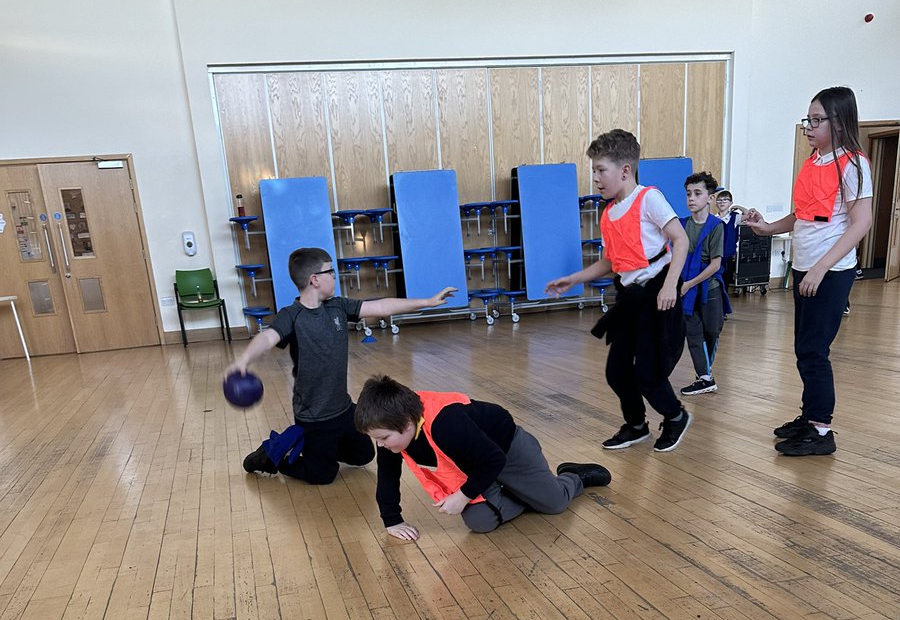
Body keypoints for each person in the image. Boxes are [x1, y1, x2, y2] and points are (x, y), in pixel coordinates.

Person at [224, 247, 456, 483]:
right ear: (315, 279)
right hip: (314, 416)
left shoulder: (338, 306)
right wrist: (243, 360)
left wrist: (427, 302)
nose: (334, 276)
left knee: (364, 455)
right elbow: (268, 337)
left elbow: (382, 306)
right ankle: (275, 452)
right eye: (330, 271)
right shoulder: (291, 315)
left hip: (344, 409)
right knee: (323, 476)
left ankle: (316, 450)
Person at [545, 129, 692, 453]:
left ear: (625, 170)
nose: (596, 178)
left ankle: (676, 416)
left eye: (601, 170)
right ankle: (636, 425)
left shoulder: (648, 198)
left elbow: (680, 240)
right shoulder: (609, 213)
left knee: (649, 374)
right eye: (594, 170)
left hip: (657, 291)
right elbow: (611, 261)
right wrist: (574, 278)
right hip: (629, 297)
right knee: (617, 371)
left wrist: (670, 285)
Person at [744, 86, 872, 457]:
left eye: (818, 120)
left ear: (839, 121)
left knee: (815, 351)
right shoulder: (814, 160)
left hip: (829, 272)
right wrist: (768, 228)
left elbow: (860, 223)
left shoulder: (854, 163)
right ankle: (810, 416)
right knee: (804, 349)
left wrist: (821, 267)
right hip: (805, 267)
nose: (810, 127)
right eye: (809, 120)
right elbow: (803, 214)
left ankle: (821, 431)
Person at [354, 374, 611, 539]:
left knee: (554, 504)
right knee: (480, 522)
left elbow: (493, 459)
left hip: (506, 451)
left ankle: (572, 476)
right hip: (475, 464)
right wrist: (392, 520)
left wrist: (463, 496)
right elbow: (387, 475)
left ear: (407, 423)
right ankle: (524, 490)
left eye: (383, 438)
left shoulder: (446, 423)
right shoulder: (390, 430)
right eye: (376, 438)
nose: (379, 444)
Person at [680, 171, 732, 396]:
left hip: (708, 288)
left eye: (697, 193)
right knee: (693, 333)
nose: (691, 198)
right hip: (686, 288)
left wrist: (690, 283)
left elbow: (714, 265)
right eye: (688, 193)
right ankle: (705, 377)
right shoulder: (681, 225)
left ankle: (705, 375)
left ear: (710, 198)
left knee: (712, 331)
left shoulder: (716, 226)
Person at [714, 188, 743, 292]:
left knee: (726, 279)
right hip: (715, 255)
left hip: (728, 255)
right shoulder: (714, 218)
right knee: (715, 279)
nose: (722, 202)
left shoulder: (734, 217)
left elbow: (749, 215)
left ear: (730, 202)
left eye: (725, 200)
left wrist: (738, 207)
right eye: (719, 200)